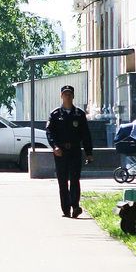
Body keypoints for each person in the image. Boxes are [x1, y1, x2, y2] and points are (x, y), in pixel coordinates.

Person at [45, 84, 93, 218]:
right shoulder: (55, 114)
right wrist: (54, 147)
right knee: (62, 180)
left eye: (69, 94)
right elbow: (49, 132)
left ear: (73, 96)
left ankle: (75, 206)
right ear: (61, 96)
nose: (67, 96)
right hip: (60, 152)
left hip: (75, 150)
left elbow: (86, 134)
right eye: (65, 94)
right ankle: (66, 209)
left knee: (75, 179)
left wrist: (89, 153)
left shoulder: (79, 114)